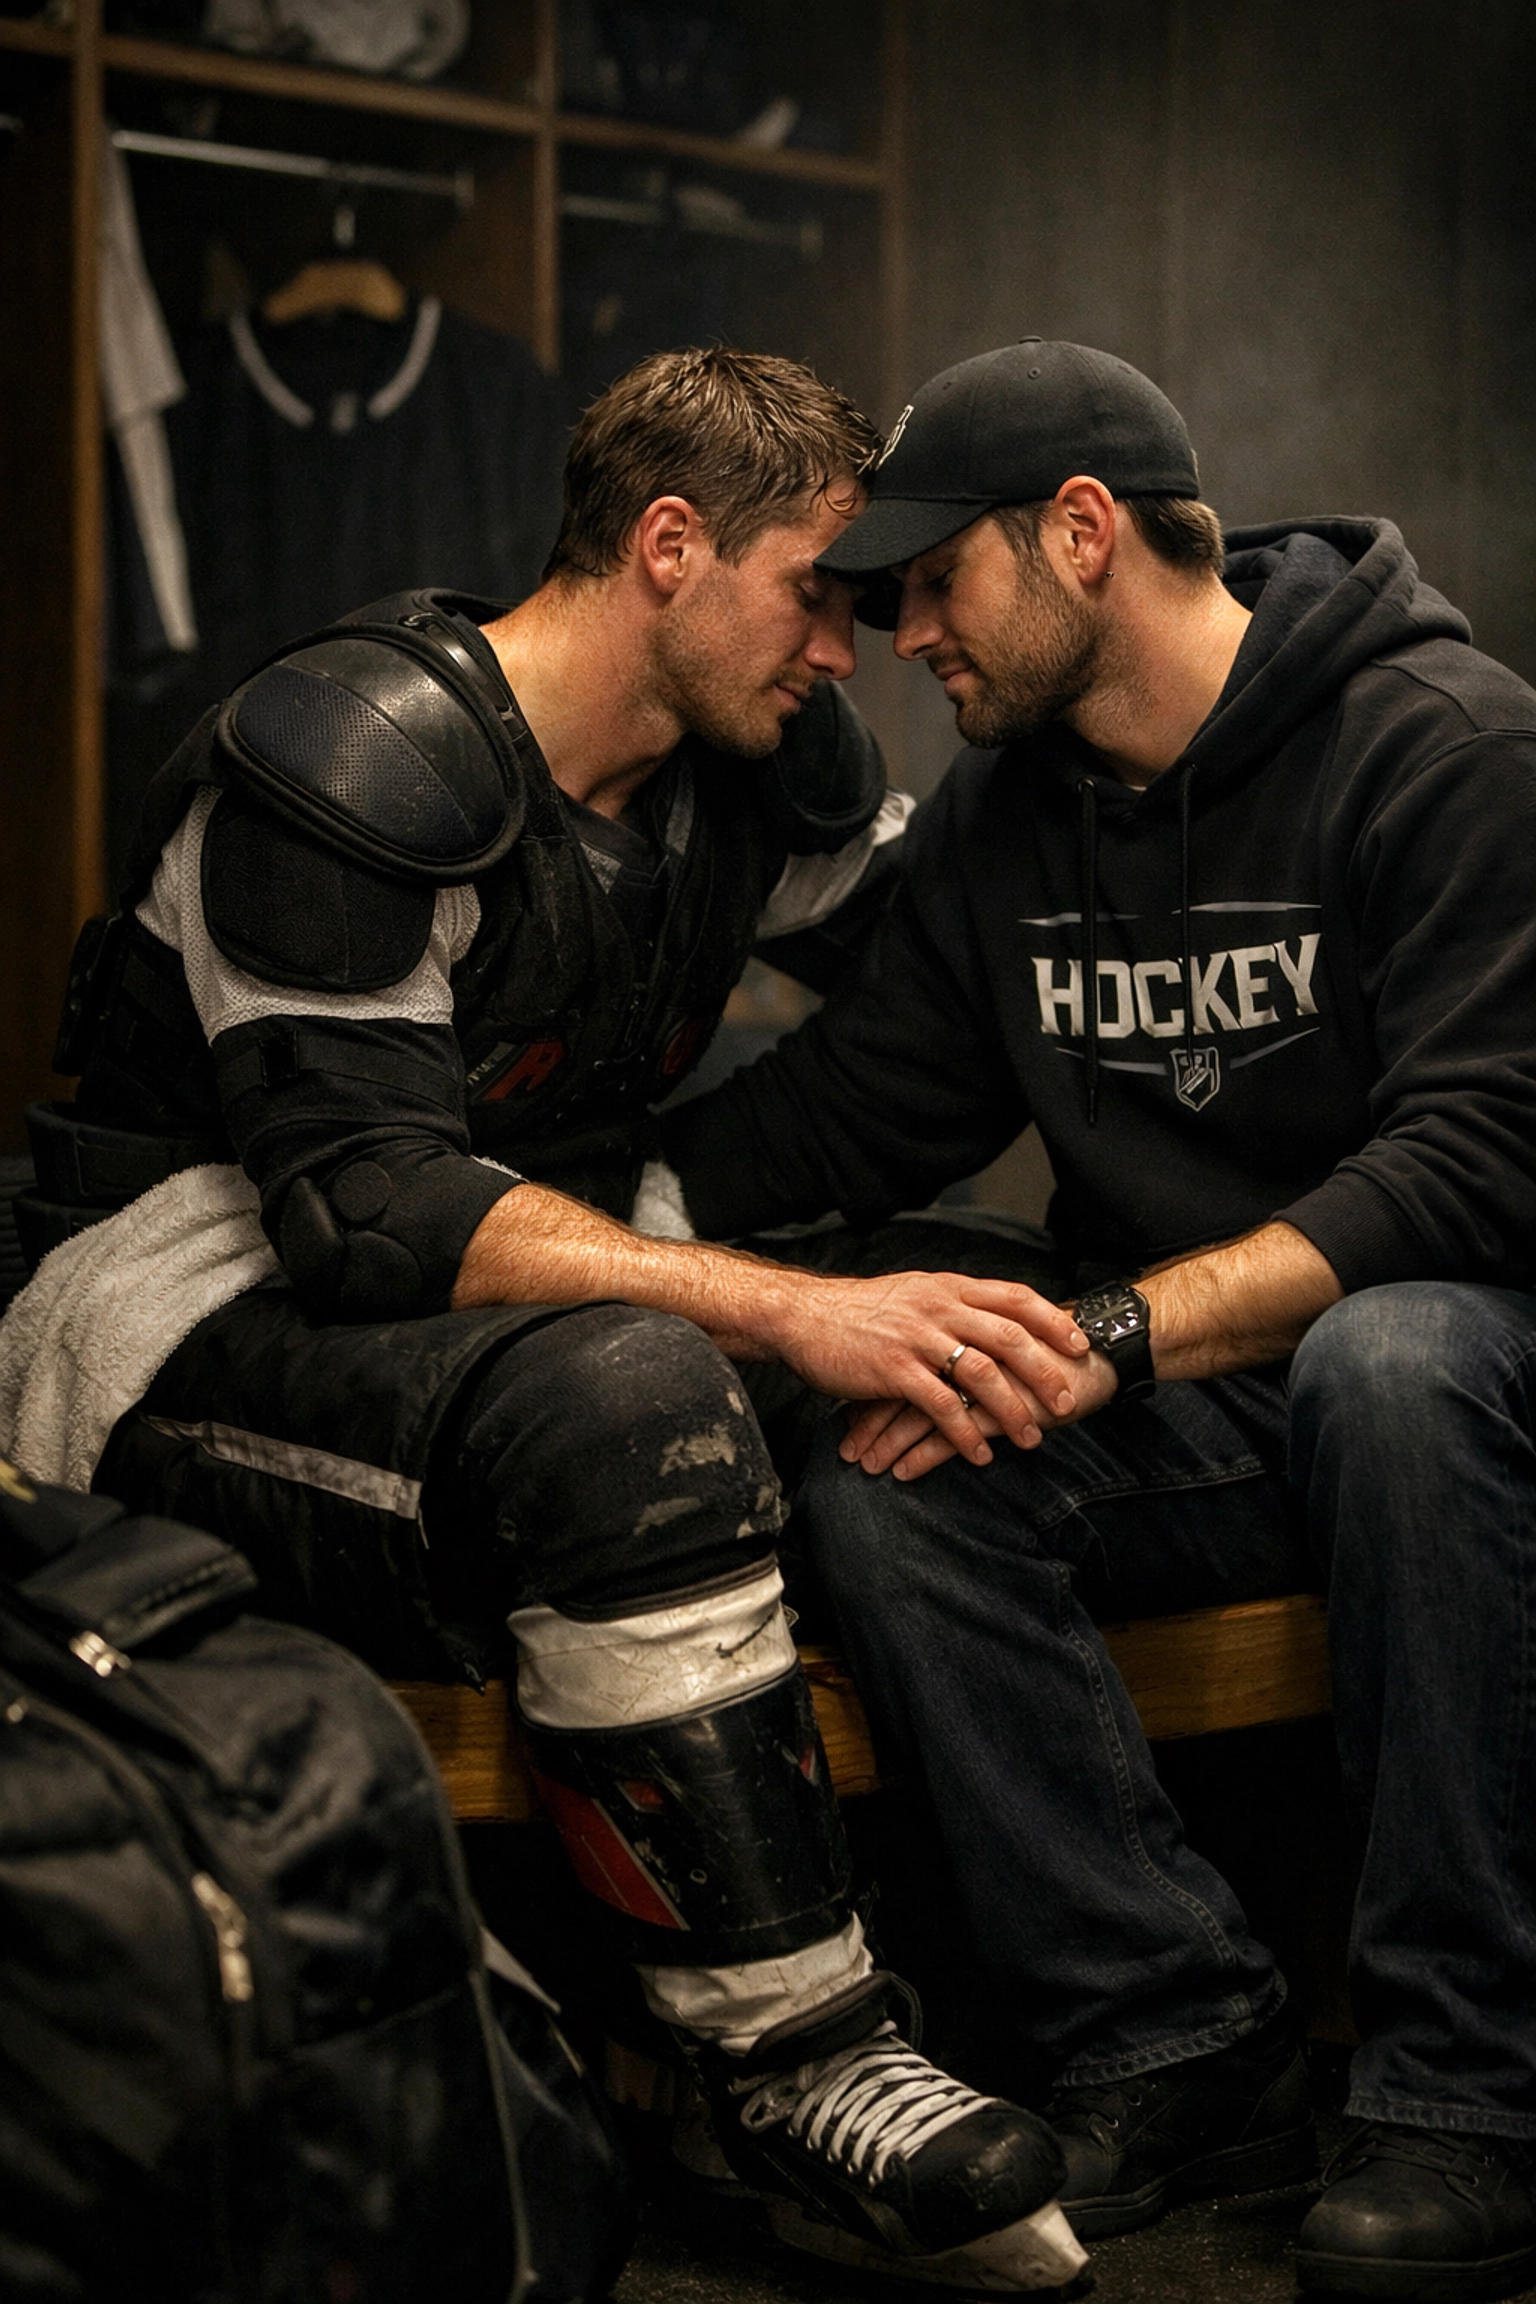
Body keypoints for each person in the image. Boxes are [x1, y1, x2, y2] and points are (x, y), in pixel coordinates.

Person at [15, 347, 1096, 2293]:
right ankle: (795, 2058)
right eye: (817, 596)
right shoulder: (349, 753)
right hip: (187, 1284)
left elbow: (934, 996)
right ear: (670, 547)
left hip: (548, 1259)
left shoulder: (754, 760)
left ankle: (1074, 1999)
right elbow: (369, 1210)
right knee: (633, 1398)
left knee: (977, 1301)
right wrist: (785, 1306)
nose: (847, 654)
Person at [661, 338, 1536, 2303]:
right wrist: (564, 1211)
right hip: (1205, 1402)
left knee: (1400, 1364)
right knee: (904, 1450)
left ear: (1077, 536)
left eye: (928, 583)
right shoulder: (1006, 819)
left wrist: (1128, 1326)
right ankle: (1177, 2029)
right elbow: (862, 1104)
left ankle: (1471, 2095)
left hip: (1462, 1381)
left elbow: (1483, 1165)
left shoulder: (1447, 747)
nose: (895, 639)